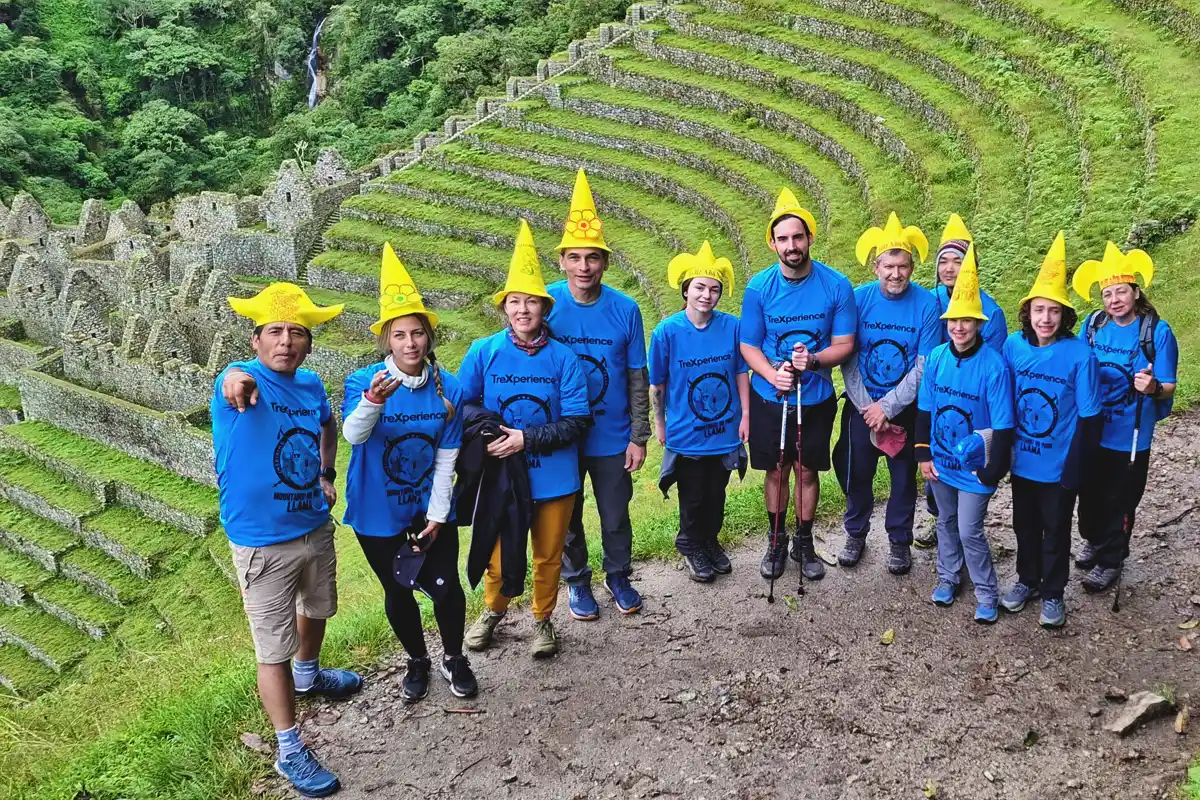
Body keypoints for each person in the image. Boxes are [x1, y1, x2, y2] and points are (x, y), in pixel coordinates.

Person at [213, 283, 361, 798]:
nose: (286, 341)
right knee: (272, 646)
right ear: (255, 342)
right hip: (261, 541)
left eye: (297, 333)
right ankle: (289, 748)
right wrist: (234, 380)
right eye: (274, 332)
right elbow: (232, 382)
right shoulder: (239, 379)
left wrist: (326, 471)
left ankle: (310, 675)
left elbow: (327, 424)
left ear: (309, 345)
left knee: (318, 608)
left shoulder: (312, 385)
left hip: (314, 524)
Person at [341, 244, 476, 703]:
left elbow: (446, 457)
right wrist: (374, 402)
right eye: (400, 335)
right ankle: (417, 659)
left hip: (428, 508)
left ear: (428, 339)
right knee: (397, 589)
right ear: (387, 342)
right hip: (377, 511)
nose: (411, 343)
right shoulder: (363, 382)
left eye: (418, 333)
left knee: (446, 588)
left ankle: (454, 656)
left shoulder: (449, 387)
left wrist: (438, 517)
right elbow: (353, 436)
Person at [460, 220, 592, 658]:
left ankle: (542, 620)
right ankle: (493, 611)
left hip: (555, 478)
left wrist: (525, 439)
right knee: (498, 555)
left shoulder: (564, 358)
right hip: (501, 478)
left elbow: (577, 421)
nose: (522, 310)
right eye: (515, 302)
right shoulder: (484, 351)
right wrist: (491, 432)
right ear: (504, 308)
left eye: (531, 302)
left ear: (544, 309)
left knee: (549, 555)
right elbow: (464, 405)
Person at [547, 169, 651, 620]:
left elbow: (636, 376)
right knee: (566, 516)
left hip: (611, 434)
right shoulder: (544, 304)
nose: (584, 266)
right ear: (563, 261)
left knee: (615, 514)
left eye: (593, 257)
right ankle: (577, 582)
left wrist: (639, 435)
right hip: (561, 437)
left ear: (605, 262)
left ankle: (618, 574)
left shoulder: (626, 310)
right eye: (575, 257)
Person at [741, 188, 856, 582]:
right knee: (776, 470)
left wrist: (816, 360)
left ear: (810, 238)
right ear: (773, 243)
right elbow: (748, 345)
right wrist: (772, 374)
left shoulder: (836, 285)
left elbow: (844, 344)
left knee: (807, 472)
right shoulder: (759, 287)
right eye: (784, 239)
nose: (792, 246)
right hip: (769, 397)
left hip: (817, 396)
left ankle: (803, 541)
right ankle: (776, 540)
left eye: (798, 237)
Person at [1000, 233, 1101, 629]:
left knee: (1056, 528)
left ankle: (1054, 592)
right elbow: (1002, 400)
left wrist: (1076, 466)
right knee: (1023, 525)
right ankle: (1028, 580)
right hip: (1022, 459)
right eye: (1039, 310)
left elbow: (1090, 418)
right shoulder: (1012, 347)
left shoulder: (1080, 355)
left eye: (1054, 311)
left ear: (1064, 316)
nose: (1046, 318)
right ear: (1028, 312)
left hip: (1059, 464)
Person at [834, 213, 940, 575]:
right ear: (876, 266)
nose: (896, 274)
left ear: (912, 267)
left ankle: (899, 541)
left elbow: (923, 367)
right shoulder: (858, 299)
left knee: (902, 479)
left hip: (905, 408)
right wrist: (869, 407)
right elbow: (847, 355)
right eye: (889, 266)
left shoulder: (926, 305)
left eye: (903, 266)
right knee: (856, 472)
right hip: (861, 406)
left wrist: (889, 407)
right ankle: (855, 533)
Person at [915, 244, 1014, 624]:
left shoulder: (994, 366)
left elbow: (1003, 425)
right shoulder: (938, 357)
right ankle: (948, 576)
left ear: (979, 324)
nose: (959, 327)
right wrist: (923, 454)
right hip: (941, 459)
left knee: (970, 529)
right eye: (953, 320)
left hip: (975, 466)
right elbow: (925, 409)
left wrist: (994, 470)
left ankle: (987, 592)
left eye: (967, 321)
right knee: (944, 521)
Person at [1072, 241, 1177, 593]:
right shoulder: (1094, 324)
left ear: (1135, 291)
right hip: (1093, 428)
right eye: (1107, 294)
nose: (1114, 300)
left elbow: (1169, 386)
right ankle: (1094, 539)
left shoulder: (1156, 332)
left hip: (1129, 434)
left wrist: (1151, 387)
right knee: (1088, 495)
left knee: (1120, 498)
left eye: (1121, 292)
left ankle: (1111, 560)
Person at [649, 242, 749, 582]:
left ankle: (709, 540)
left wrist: (746, 415)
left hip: (724, 428)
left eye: (714, 289)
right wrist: (659, 422)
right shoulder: (667, 331)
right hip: (686, 431)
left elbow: (740, 373)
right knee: (692, 495)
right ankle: (690, 544)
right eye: (700, 288)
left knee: (716, 492)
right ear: (686, 290)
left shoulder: (732, 327)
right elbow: (658, 383)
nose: (707, 295)